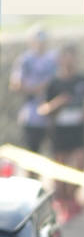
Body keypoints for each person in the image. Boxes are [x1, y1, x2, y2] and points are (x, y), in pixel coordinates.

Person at [37, 47, 84, 220]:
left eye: (73, 58)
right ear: (60, 60)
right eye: (67, 58)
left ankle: (71, 197)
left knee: (81, 164)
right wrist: (57, 103)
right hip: (59, 132)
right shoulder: (53, 83)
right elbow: (43, 109)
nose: (70, 61)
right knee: (61, 168)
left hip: (78, 130)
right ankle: (62, 201)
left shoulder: (83, 80)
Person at [9, 27, 58, 155]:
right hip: (31, 114)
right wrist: (36, 89)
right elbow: (16, 84)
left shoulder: (54, 58)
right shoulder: (25, 60)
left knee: (56, 153)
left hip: (53, 114)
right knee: (32, 153)